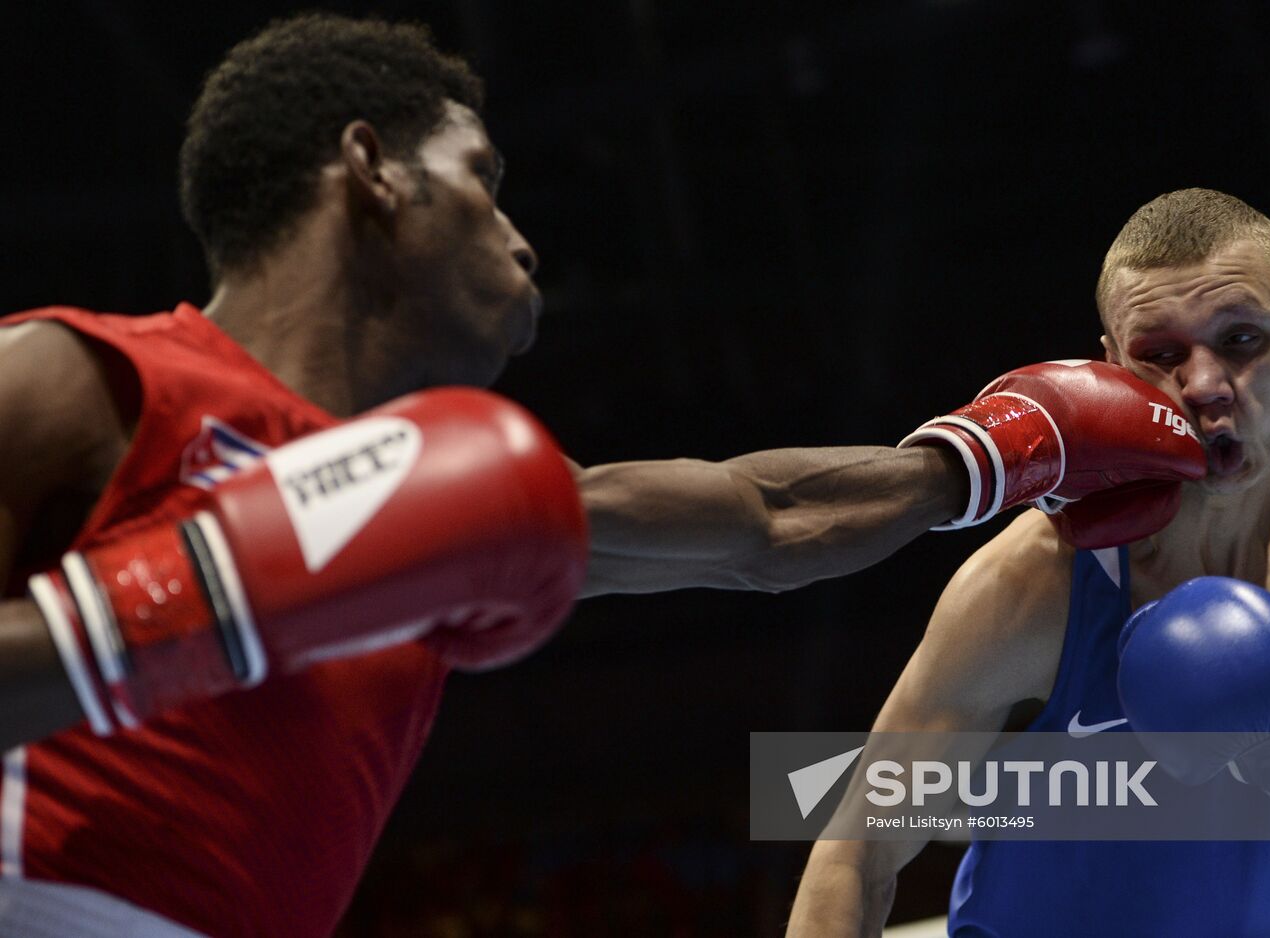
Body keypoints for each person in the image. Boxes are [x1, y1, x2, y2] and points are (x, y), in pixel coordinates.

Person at [0, 15, 1203, 938]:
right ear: (371, 166)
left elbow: (765, 521)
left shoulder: (461, 504)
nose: (520, 238)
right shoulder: (81, 378)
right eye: (479, 177)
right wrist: (199, 594)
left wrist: (992, 454)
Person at [785, 187, 1270, 937]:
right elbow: (855, 851)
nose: (1205, 386)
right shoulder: (1037, 579)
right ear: (1113, 367)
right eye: (1161, 355)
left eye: (1241, 339)